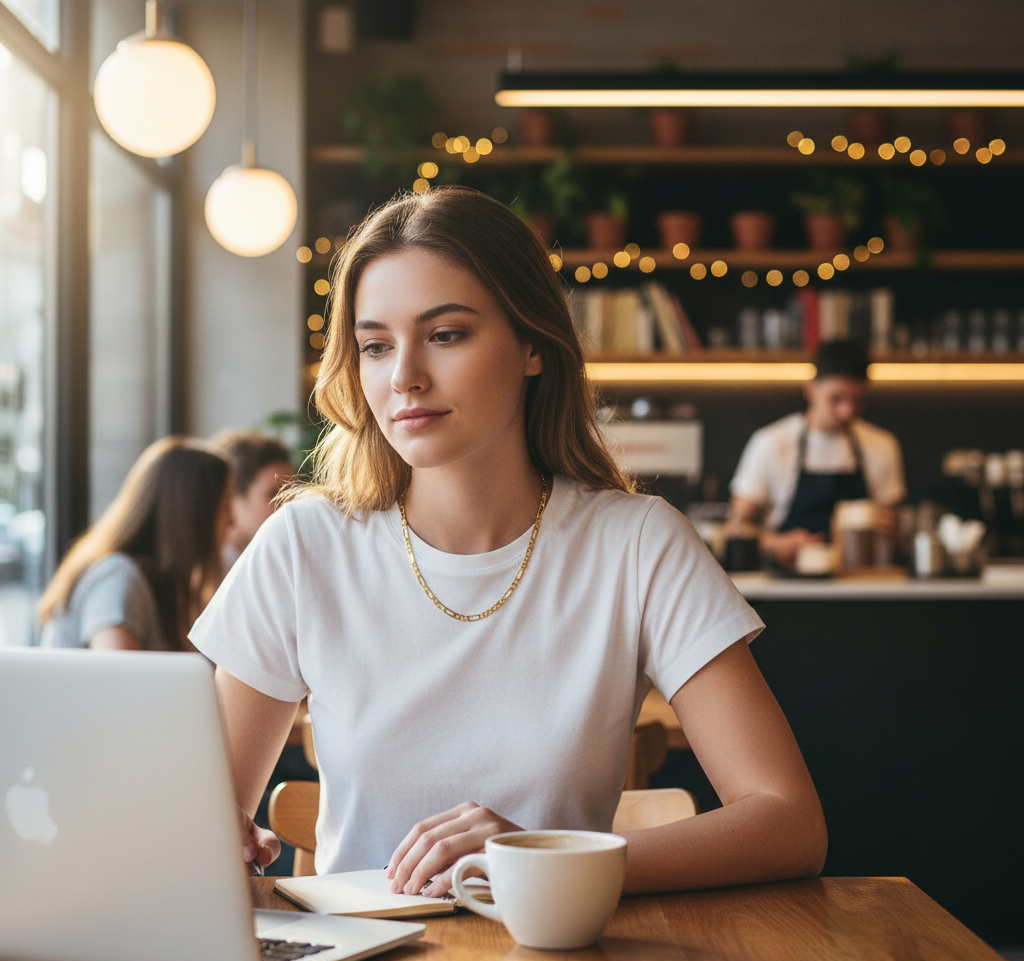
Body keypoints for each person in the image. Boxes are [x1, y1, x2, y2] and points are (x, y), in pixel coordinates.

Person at [189, 186, 827, 897]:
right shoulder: (303, 548)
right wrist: (212, 838)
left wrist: (546, 860)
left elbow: (789, 822)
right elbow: (198, 827)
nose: (403, 377)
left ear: (531, 345)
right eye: (375, 346)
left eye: (446, 334)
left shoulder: (637, 545)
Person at [39, 437, 232, 651]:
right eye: (224, 507)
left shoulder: (161, 588)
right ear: (193, 516)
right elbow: (117, 679)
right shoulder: (118, 579)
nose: (232, 522)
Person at [728, 341, 906, 568]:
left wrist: (888, 527)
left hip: (861, 583)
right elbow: (736, 527)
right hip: (787, 586)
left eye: (858, 401)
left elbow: (896, 527)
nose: (847, 411)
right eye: (836, 399)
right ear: (810, 389)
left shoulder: (882, 445)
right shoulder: (771, 443)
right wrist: (776, 543)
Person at [210, 430, 293, 566]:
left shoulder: (281, 563)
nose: (287, 505)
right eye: (273, 494)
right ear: (231, 497)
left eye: (291, 494)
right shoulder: (209, 578)